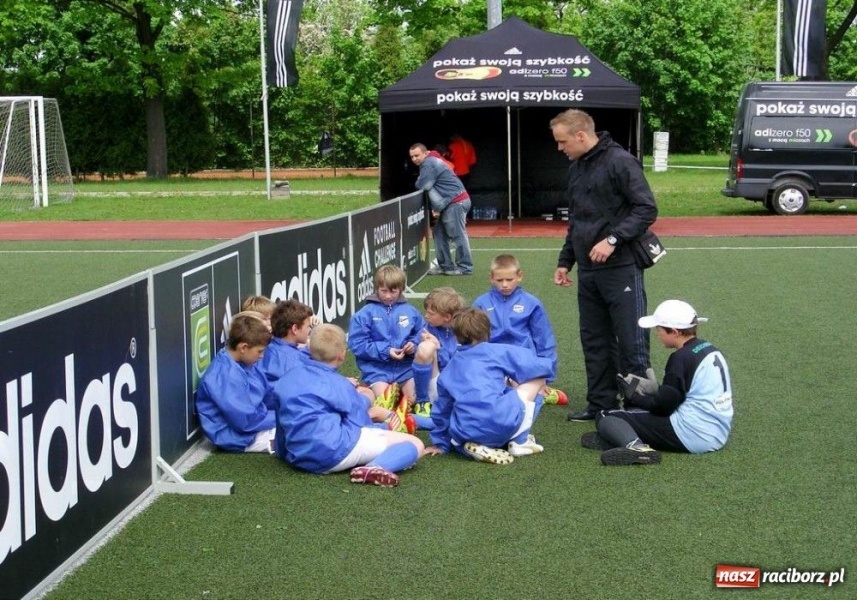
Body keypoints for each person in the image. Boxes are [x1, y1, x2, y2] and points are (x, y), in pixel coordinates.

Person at [550, 108, 658, 422]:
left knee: (631, 339)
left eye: (562, 141)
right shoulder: (577, 168)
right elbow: (577, 220)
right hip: (588, 270)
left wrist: (612, 240)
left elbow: (646, 209)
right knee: (594, 339)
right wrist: (565, 260)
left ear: (580, 135)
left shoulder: (621, 161)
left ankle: (639, 407)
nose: (560, 148)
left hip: (621, 266)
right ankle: (601, 406)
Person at [582, 299, 734, 466]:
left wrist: (634, 397)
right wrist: (657, 391)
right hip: (718, 432)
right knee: (635, 413)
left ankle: (637, 447)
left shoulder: (680, 358)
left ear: (675, 332)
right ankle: (624, 437)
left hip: (693, 435)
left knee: (606, 415)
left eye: (659, 329)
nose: (657, 334)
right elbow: (683, 393)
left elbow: (663, 408)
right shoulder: (709, 348)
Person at [272, 323, 426, 487]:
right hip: (334, 453)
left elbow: (280, 421)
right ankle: (374, 467)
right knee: (416, 444)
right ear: (342, 355)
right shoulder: (340, 384)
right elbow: (360, 423)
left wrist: (283, 454)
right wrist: (374, 409)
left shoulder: (287, 378)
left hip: (297, 456)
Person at [425, 308, 554, 464]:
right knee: (538, 379)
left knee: (460, 414)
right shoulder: (497, 351)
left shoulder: (450, 367)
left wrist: (441, 444)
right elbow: (539, 366)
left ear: (457, 336)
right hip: (501, 421)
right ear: (488, 331)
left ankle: (466, 446)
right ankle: (520, 441)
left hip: (466, 430)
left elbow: (442, 410)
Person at [472, 254, 569, 406]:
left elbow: (544, 339)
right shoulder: (481, 303)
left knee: (520, 399)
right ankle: (533, 391)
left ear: (519, 276)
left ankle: (542, 390)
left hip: (523, 361)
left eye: (509, 280)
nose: (504, 284)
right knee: (489, 396)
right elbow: (472, 337)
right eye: (499, 280)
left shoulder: (531, 303)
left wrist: (546, 374)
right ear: (491, 278)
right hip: (494, 360)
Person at [195, 312, 275, 453]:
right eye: (260, 351)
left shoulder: (243, 362)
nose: (262, 356)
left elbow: (267, 394)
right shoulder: (225, 374)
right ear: (243, 348)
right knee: (300, 433)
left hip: (255, 424)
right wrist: (282, 415)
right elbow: (246, 422)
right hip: (238, 437)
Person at [348, 264, 425, 409]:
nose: (388, 296)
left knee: (413, 400)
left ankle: (402, 398)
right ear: (376, 288)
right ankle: (386, 396)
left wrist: (413, 345)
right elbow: (357, 344)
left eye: (393, 291)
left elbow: (422, 332)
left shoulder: (411, 311)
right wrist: (386, 351)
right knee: (385, 400)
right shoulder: (364, 314)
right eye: (383, 291)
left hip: (406, 369)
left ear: (401, 289)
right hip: (377, 371)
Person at [409, 142, 474, 276]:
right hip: (452, 202)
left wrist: (421, 183)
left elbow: (423, 184)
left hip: (456, 202)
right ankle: (445, 266)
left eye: (417, 155)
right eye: (412, 157)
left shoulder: (429, 163)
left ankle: (465, 267)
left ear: (425, 153)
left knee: (457, 235)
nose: (414, 159)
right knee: (439, 233)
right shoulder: (431, 161)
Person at [410, 287, 466, 429]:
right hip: (437, 379)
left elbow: (460, 361)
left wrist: (438, 346)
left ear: (447, 317)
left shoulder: (464, 329)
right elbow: (418, 350)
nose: (426, 316)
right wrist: (412, 346)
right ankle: (422, 401)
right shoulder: (428, 328)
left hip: (459, 381)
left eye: (431, 313)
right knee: (426, 347)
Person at [256, 299, 314, 405]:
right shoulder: (293, 360)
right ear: (295, 329)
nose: (310, 330)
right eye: (308, 326)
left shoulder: (268, 347)